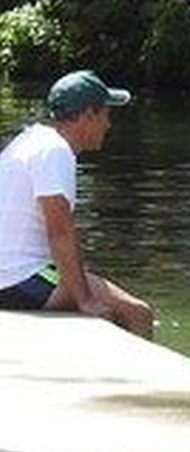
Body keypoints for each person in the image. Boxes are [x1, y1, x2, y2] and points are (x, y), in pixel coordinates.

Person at [0, 70, 154, 339]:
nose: (108, 125)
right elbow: (59, 232)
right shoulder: (55, 151)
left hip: (12, 274)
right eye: (106, 114)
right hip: (19, 280)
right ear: (88, 115)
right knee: (137, 313)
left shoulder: (31, 139)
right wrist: (85, 300)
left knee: (86, 281)